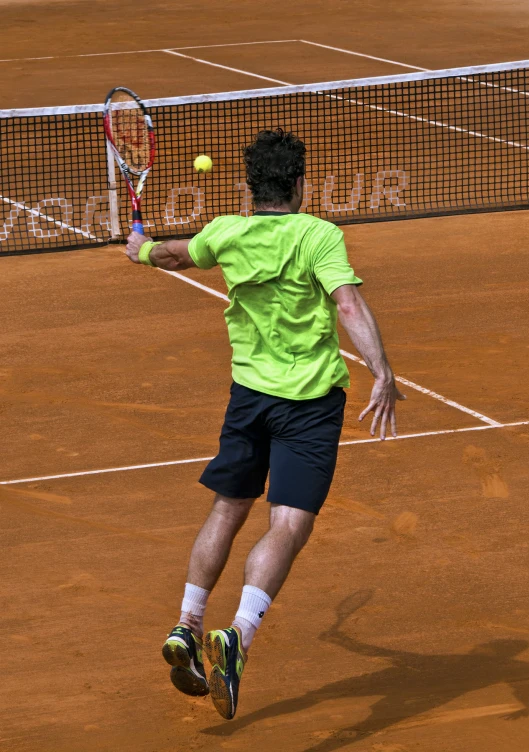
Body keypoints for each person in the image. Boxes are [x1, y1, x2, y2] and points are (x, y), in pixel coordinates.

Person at [125, 128, 405, 721]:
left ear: (250, 190)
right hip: (309, 406)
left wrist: (141, 248)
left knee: (227, 509)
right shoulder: (318, 235)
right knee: (288, 525)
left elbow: (175, 255)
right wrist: (382, 371)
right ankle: (238, 636)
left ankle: (186, 624)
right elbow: (348, 303)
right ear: (300, 184)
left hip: (248, 398)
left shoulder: (226, 232)